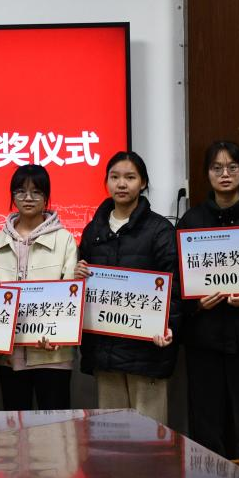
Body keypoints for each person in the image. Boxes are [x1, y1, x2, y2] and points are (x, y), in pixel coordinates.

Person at [177, 141, 239, 458]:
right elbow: (179, 282)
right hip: (204, 340)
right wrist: (196, 304)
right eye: (217, 168)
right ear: (207, 173)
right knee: (206, 427)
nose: (225, 174)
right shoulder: (191, 221)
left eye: (232, 167)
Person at [76, 151, 179, 420]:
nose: (121, 184)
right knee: (112, 434)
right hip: (106, 351)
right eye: (115, 177)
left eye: (130, 177)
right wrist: (77, 275)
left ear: (143, 182)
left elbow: (174, 287)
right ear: (107, 182)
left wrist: (168, 326)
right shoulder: (93, 230)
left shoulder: (160, 230)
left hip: (147, 351)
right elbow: (82, 286)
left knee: (150, 434)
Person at [0, 164, 79, 411]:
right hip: (9, 356)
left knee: (56, 426)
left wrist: (59, 335)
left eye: (36, 192)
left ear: (46, 197)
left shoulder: (64, 239)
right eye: (20, 191)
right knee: (15, 427)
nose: (28, 198)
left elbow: (70, 293)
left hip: (52, 354)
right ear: (12, 196)